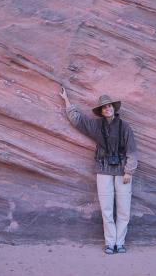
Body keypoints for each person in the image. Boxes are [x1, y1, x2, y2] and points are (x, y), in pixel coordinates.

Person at [59, 87, 138, 254]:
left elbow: (131, 150)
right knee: (107, 210)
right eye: (104, 107)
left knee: (124, 210)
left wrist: (129, 171)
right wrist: (67, 101)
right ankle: (110, 243)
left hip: (122, 172)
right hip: (103, 170)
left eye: (109, 106)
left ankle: (120, 242)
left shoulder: (124, 126)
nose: (107, 108)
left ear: (113, 108)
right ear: (101, 111)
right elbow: (78, 120)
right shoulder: (96, 126)